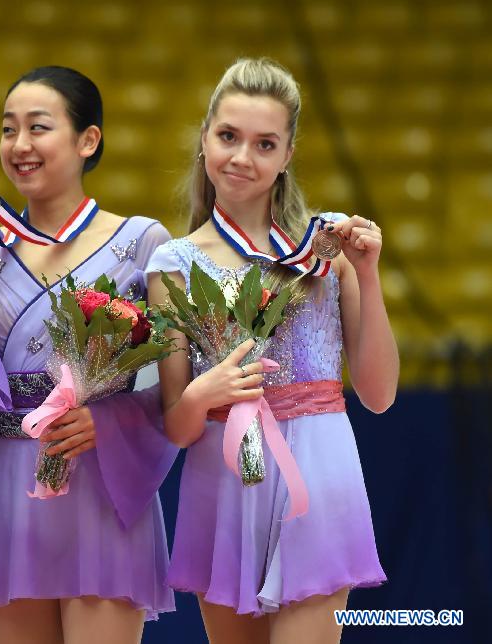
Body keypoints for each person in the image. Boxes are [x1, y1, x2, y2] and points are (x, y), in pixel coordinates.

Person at [146, 58, 397, 644]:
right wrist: (201, 395)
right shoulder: (173, 264)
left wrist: (369, 273)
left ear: (287, 155)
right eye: (228, 136)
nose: (242, 157)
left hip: (319, 467)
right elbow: (178, 428)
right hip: (224, 474)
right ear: (205, 137)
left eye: (265, 144)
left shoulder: (329, 245)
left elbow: (380, 395)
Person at [0, 66, 177, 644]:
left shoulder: (143, 243)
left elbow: (177, 388)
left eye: (38, 128)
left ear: (87, 140)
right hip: (8, 478)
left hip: (102, 476)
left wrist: (108, 418)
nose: (19, 146)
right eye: (8, 129)